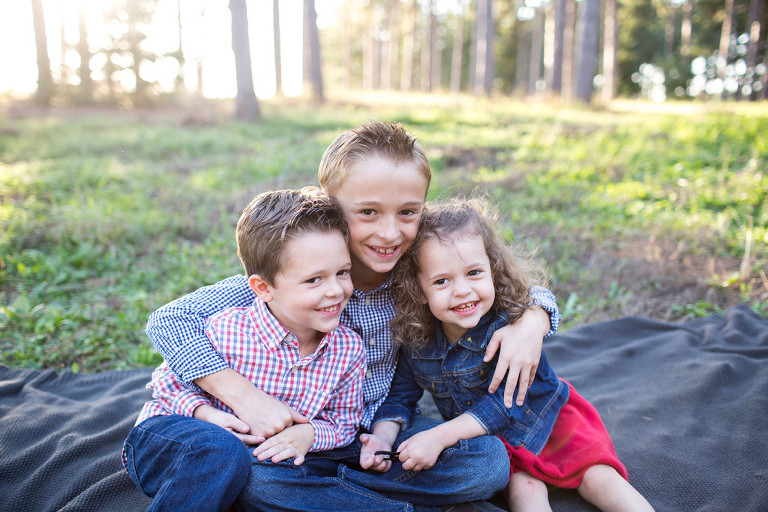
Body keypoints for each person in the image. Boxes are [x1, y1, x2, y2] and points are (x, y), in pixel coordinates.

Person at [143, 121, 562, 510]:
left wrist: (534, 321)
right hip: (300, 430)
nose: (390, 233)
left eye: (408, 212)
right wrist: (245, 397)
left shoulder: (415, 268)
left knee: (487, 463)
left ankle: (329, 496)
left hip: (383, 428)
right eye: (368, 212)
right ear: (331, 207)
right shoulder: (299, 273)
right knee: (259, 479)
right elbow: (169, 320)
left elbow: (507, 283)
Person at [377, 198, 655, 512]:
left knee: (597, 477)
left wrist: (440, 435)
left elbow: (505, 405)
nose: (462, 290)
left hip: (548, 417)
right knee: (526, 490)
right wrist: (382, 437)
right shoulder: (418, 342)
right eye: (442, 281)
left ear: (493, 271)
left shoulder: (509, 324)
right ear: (418, 290)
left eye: (474, 272)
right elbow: (400, 395)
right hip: (498, 441)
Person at [122, 189, 367, 510]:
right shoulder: (228, 329)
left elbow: (344, 422)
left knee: (279, 473)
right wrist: (206, 415)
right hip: (177, 438)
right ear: (263, 288)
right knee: (223, 450)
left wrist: (309, 434)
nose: (336, 290)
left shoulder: (348, 349)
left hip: (255, 458)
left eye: (342, 272)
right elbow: (166, 383)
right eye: (313, 280)